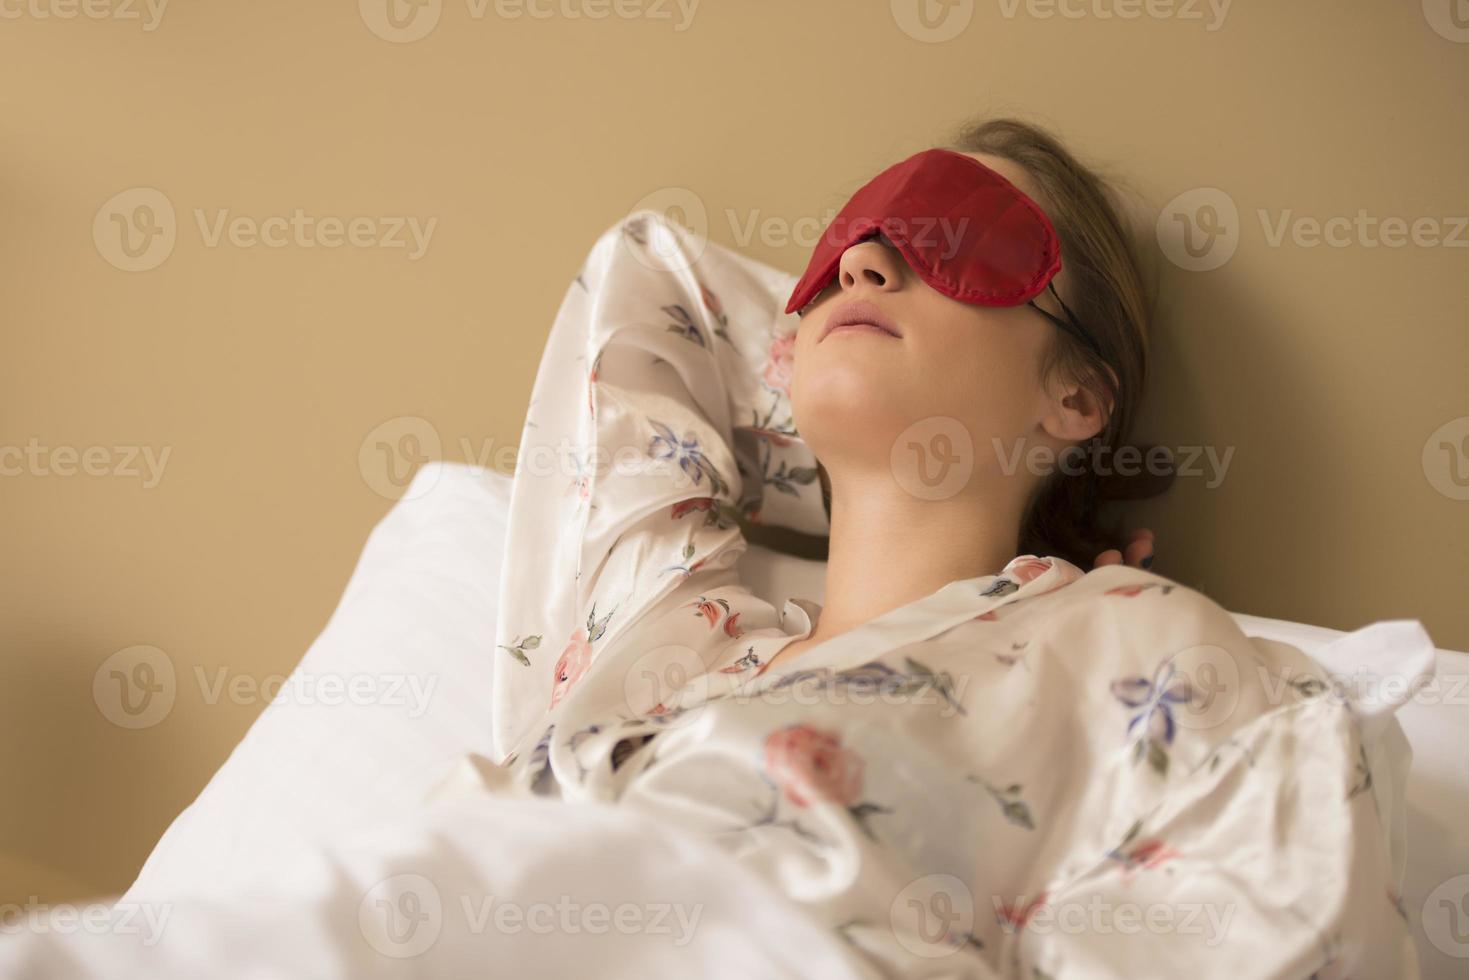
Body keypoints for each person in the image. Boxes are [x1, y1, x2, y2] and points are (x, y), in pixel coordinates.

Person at [482, 118, 1416, 977]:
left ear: (1079, 400)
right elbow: (643, 279)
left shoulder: (1130, 647)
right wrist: (850, 379)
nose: (863, 264)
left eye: (956, 237)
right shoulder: (664, 624)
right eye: (845, 245)